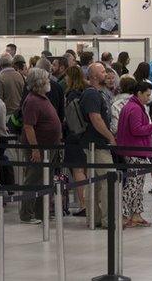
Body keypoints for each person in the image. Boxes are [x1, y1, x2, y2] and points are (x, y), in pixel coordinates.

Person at [116, 80, 152, 227]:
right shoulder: (135, 108)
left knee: (138, 184)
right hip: (135, 151)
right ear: (139, 93)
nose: (149, 98)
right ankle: (123, 215)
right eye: (147, 95)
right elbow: (136, 129)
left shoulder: (132, 106)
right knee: (133, 185)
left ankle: (136, 214)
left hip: (137, 150)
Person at [18, 67, 62, 224]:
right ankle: (26, 214)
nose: (49, 82)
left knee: (45, 180)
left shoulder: (43, 98)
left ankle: (40, 212)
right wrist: (35, 149)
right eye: (46, 80)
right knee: (33, 180)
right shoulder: (32, 101)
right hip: (39, 148)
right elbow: (28, 127)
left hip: (50, 148)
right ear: (38, 83)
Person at [78, 63, 115, 228]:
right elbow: (96, 119)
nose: (105, 74)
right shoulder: (91, 95)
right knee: (109, 179)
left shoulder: (97, 94)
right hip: (96, 145)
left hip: (98, 143)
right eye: (102, 71)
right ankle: (107, 219)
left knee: (98, 183)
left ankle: (96, 218)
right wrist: (110, 136)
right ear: (93, 76)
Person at [62, 65, 88, 215]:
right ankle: (87, 203)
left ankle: (83, 204)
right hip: (85, 136)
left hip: (74, 136)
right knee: (85, 169)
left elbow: (71, 118)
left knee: (77, 170)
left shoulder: (71, 94)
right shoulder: (86, 91)